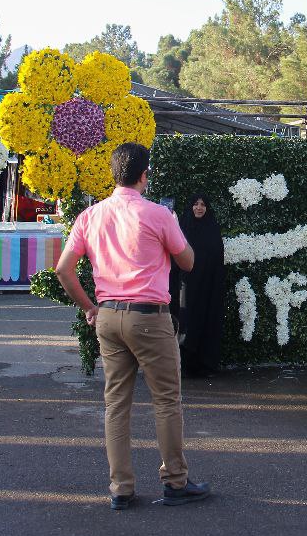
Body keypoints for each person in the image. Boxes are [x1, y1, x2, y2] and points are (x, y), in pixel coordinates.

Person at [55, 142, 211, 510]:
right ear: (145, 175)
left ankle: (120, 488)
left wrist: (90, 307)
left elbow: (63, 269)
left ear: (113, 173)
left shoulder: (90, 216)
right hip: (149, 316)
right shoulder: (158, 214)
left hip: (108, 315)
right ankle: (175, 481)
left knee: (116, 404)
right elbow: (188, 261)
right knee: (166, 401)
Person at [174, 194, 225, 378]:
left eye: (203, 204)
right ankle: (185, 365)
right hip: (185, 286)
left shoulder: (212, 229)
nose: (199, 208)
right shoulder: (182, 229)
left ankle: (205, 364)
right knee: (186, 322)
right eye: (195, 204)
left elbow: (218, 257)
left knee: (206, 321)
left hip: (207, 287)